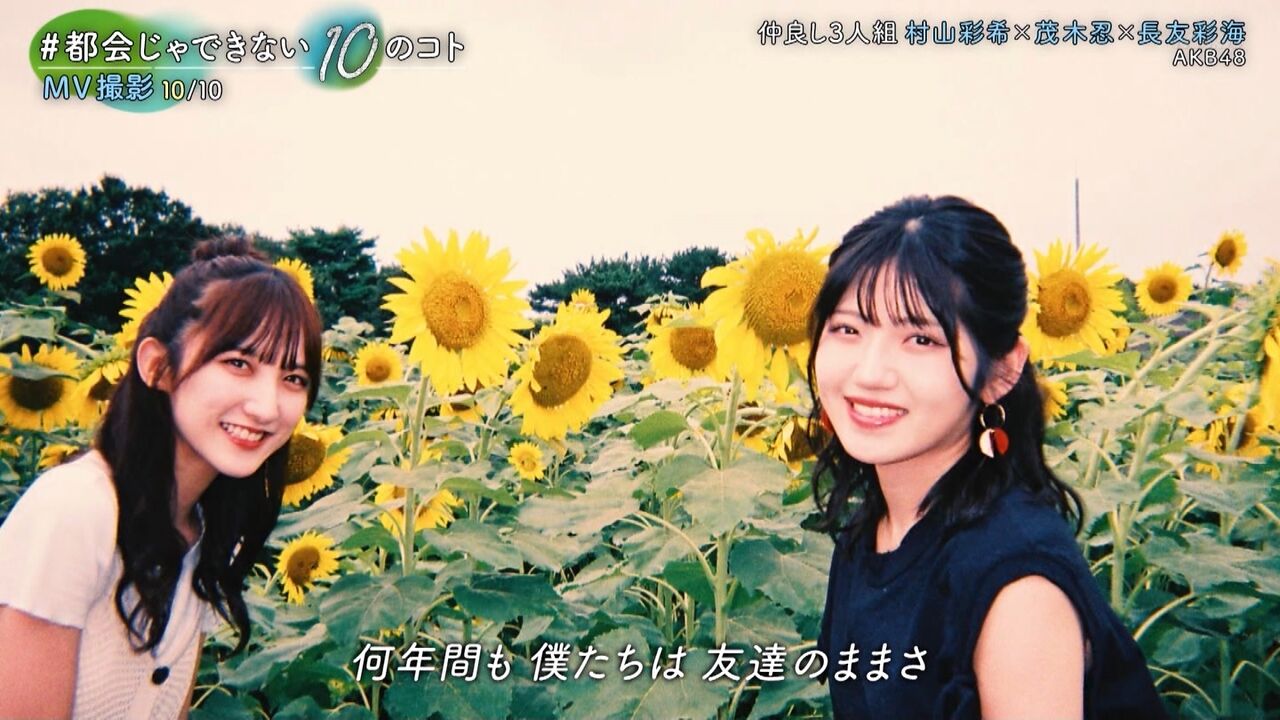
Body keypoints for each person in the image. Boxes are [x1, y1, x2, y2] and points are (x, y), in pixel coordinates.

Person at [808, 196, 1167, 719]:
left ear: (1002, 371)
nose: (870, 373)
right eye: (848, 329)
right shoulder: (873, 533)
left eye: (921, 338)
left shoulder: (1018, 589)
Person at [0, 236, 322, 719]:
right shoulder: (76, 510)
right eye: (238, 363)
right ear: (157, 366)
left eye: (293, 378)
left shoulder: (205, 533)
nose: (267, 406)